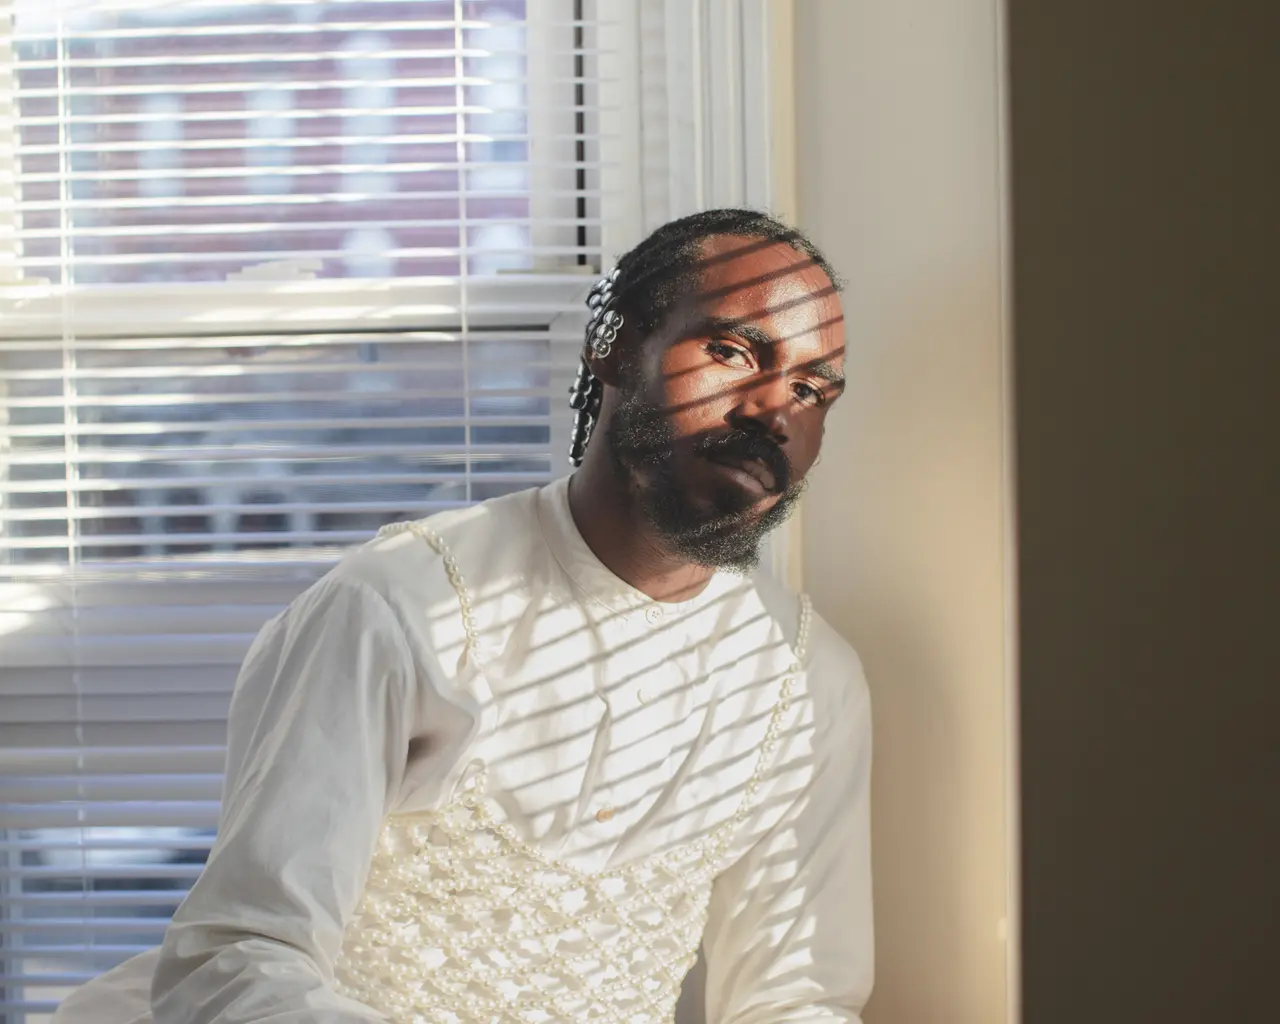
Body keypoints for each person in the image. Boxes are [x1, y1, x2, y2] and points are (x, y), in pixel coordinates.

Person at [53, 209, 873, 1024]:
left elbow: (797, 997)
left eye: (810, 389)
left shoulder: (807, 680)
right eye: (731, 352)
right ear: (617, 346)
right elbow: (238, 958)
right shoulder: (398, 608)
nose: (774, 409)